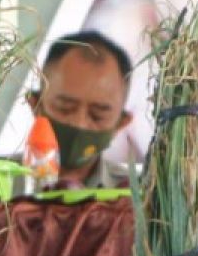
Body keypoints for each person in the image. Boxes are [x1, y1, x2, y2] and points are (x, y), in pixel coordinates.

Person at [27, 31, 133, 189]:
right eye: (65, 108)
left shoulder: (137, 198)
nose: (79, 124)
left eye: (97, 115)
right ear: (36, 104)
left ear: (121, 122)